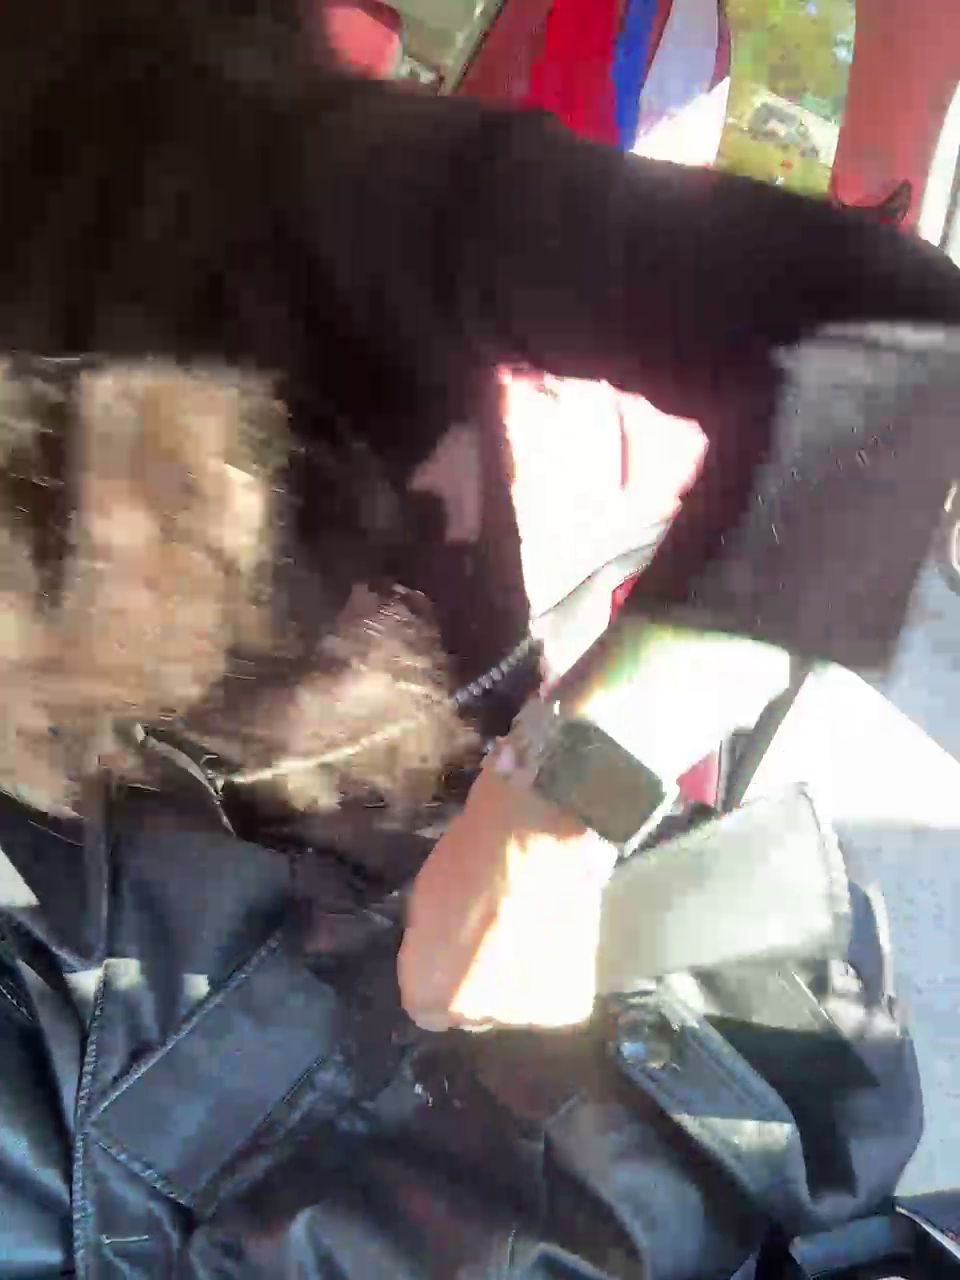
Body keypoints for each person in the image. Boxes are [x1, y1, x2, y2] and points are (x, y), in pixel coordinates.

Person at [1, 2, 959, 1276]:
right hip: (78, 994)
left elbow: (892, 342)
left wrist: (562, 804)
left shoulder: (281, 168)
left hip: (388, 1004)